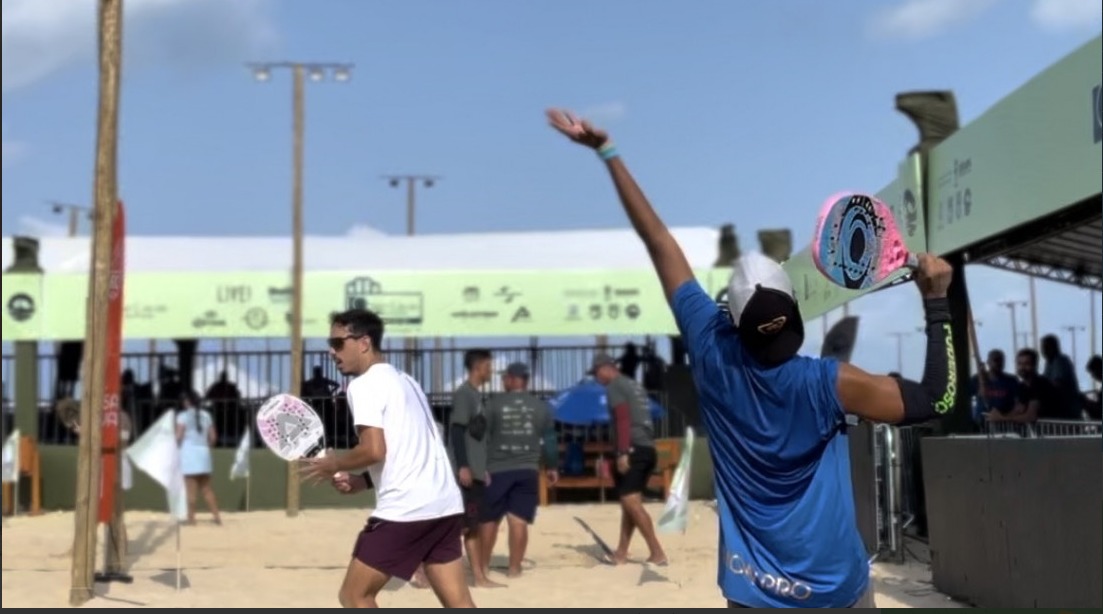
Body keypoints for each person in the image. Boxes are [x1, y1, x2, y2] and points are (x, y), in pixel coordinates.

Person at [547, 108, 958, 608]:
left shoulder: (711, 346)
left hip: (752, 591)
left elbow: (658, 243)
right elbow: (939, 398)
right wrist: (937, 302)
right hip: (835, 591)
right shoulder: (828, 382)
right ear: (793, 314)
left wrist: (608, 153)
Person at [300, 309, 476, 609]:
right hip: (445, 505)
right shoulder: (407, 380)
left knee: (354, 596)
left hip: (407, 510)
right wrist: (363, 481)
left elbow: (374, 450)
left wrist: (336, 463)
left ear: (364, 342)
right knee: (459, 603)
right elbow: (407, 447)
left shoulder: (363, 385)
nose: (332, 351)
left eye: (338, 343)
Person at [478, 362, 559, 578]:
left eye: (505, 377)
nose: (503, 381)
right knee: (518, 520)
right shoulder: (541, 407)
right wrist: (551, 466)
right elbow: (550, 440)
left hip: (496, 470)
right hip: (528, 470)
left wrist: (478, 465)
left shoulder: (493, 404)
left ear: (514, 379)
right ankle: (514, 569)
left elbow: (479, 436)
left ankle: (483, 567)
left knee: (489, 520)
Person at [590, 352, 667, 566]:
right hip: (648, 447)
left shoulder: (615, 386)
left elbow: (623, 418)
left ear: (605, 368)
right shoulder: (633, 385)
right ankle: (621, 553)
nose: (597, 379)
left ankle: (657, 552)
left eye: (596, 373)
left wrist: (622, 451)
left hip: (633, 448)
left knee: (630, 501)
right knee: (629, 502)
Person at [448, 348, 503, 588]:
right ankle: (478, 578)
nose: (491, 371)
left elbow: (476, 437)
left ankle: (479, 577)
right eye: (489, 366)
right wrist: (463, 467)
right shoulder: (464, 395)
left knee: (470, 526)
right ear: (479, 366)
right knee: (464, 527)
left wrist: (483, 469)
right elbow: (457, 431)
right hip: (466, 474)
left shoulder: (476, 396)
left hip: (477, 472)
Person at [174, 389, 222, 526]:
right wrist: (206, 447)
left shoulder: (182, 416)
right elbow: (213, 437)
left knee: (190, 489)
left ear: (187, 401)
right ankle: (217, 516)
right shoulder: (207, 415)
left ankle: (191, 519)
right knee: (207, 489)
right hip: (204, 453)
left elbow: (179, 436)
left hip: (189, 454)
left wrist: (174, 445)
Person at [969, 349, 1019, 425]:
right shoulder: (977, 379)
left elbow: (1017, 403)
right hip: (981, 424)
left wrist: (1006, 417)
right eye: (996, 360)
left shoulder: (1011, 380)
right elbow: (965, 397)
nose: (999, 363)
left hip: (1004, 424)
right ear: (988, 362)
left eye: (1002, 361)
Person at [1040, 334, 1083, 420]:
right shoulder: (1049, 363)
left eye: (1047, 347)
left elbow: (1058, 384)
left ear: (1055, 347)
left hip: (1067, 411)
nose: (1044, 351)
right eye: (1043, 348)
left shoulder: (1060, 361)